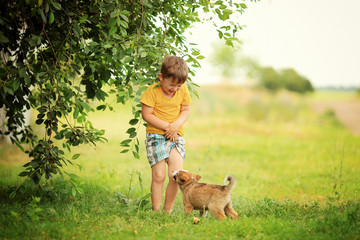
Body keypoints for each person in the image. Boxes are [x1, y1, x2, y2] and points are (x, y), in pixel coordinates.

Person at [140, 55, 192, 213]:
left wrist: (175, 126)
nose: (175, 89)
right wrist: (167, 126)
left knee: (176, 176)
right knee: (159, 176)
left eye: (179, 86)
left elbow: (186, 110)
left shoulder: (182, 89)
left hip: (175, 136)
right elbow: (147, 115)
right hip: (156, 136)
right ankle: (156, 210)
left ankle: (166, 211)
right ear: (161, 77)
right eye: (172, 85)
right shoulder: (152, 91)